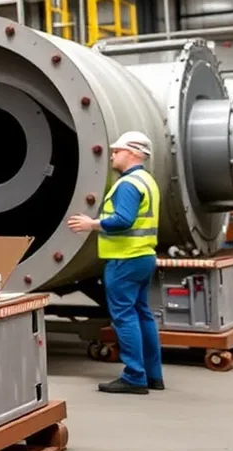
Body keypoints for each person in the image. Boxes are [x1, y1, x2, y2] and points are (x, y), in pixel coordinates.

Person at [68, 130, 164, 395]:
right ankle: (153, 375)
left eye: (117, 151)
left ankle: (134, 377)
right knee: (142, 314)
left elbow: (123, 220)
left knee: (124, 316)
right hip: (143, 256)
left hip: (125, 259)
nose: (112, 156)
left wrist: (91, 224)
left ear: (132, 153)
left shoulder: (128, 185)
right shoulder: (148, 181)